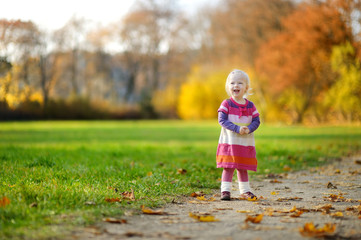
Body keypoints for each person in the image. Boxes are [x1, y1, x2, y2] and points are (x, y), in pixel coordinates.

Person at [216, 69, 260, 201]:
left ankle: (245, 191)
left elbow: (257, 121)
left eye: (240, 83)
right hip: (229, 142)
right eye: (232, 83)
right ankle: (225, 191)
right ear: (228, 87)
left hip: (244, 143)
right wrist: (236, 128)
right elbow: (221, 120)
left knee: (242, 167)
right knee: (228, 167)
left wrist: (249, 129)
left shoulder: (250, 106)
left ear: (246, 87)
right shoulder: (227, 104)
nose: (236, 85)